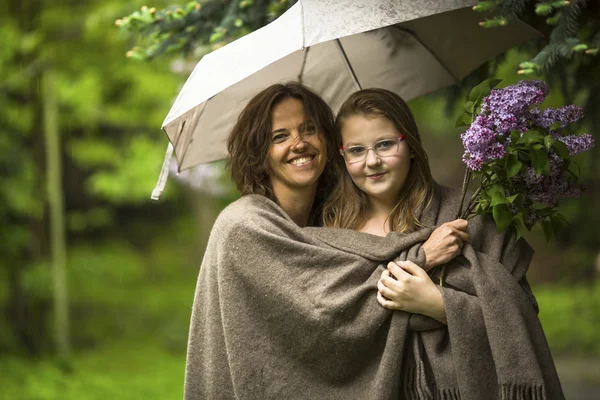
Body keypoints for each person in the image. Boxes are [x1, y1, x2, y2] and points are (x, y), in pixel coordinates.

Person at [322, 88, 564, 399]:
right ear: (342, 156)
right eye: (356, 150)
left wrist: (440, 305)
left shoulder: (466, 217)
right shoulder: (330, 231)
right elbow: (329, 328)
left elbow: (523, 313)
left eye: (385, 144)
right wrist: (423, 258)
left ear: (409, 144)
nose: (372, 161)